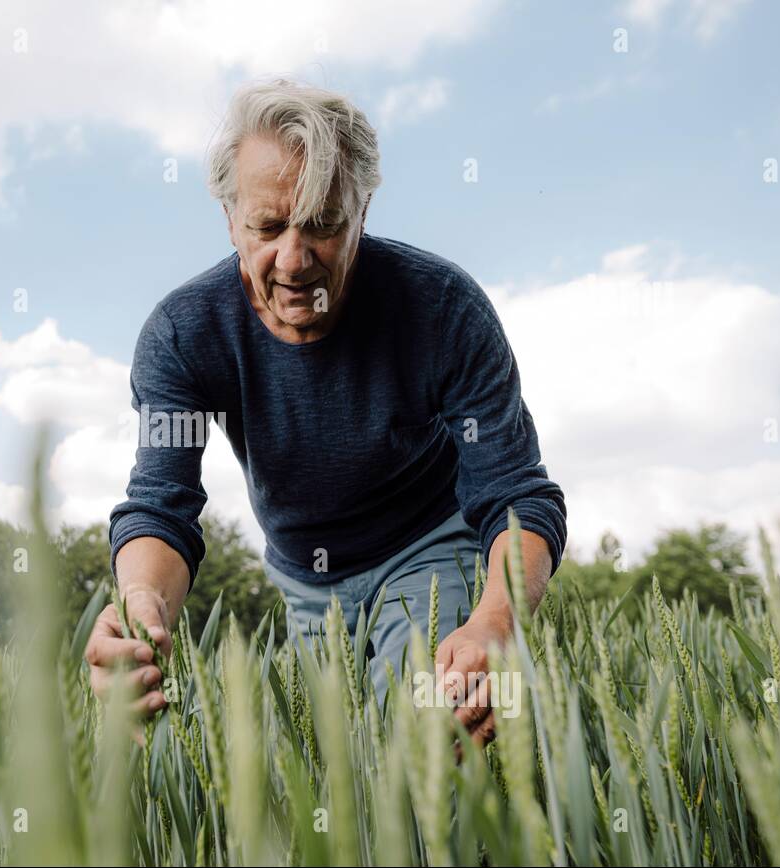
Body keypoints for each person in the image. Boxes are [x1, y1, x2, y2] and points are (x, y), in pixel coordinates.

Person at [87, 78, 566, 746]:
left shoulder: (445, 309)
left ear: (363, 208)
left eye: (323, 224)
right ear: (229, 218)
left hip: (429, 550)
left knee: (436, 737)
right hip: (303, 578)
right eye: (267, 226)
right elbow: (162, 504)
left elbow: (515, 492)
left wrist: (495, 620)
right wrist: (142, 605)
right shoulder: (183, 336)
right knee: (339, 766)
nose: (294, 259)